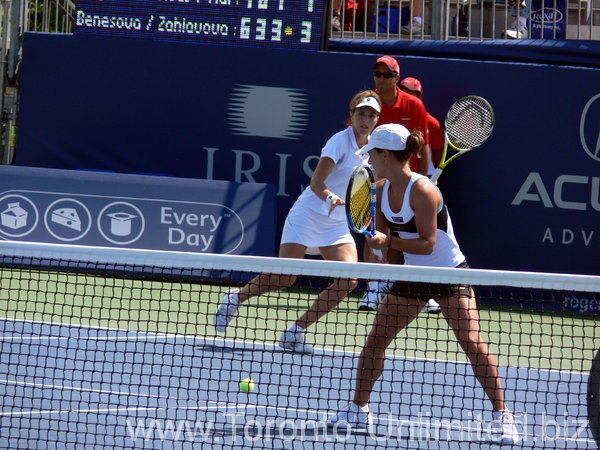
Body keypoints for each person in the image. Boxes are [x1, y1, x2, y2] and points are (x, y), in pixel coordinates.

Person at [327, 123, 520, 445]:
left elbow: (428, 244)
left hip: (450, 274)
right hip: (413, 276)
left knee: (472, 343)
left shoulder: (425, 191)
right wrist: (380, 251)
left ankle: (504, 417)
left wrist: (387, 241)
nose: (370, 159)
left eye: (373, 153)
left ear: (386, 154)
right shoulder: (382, 189)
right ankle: (358, 408)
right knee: (376, 340)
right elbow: (390, 247)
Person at [213, 90, 382, 354]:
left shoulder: (373, 149)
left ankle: (296, 331)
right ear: (351, 115)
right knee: (285, 276)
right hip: (309, 213)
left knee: (349, 281)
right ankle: (236, 297)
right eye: (361, 113)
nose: (366, 119)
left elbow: (374, 183)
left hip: (335, 225)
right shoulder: (339, 142)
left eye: (371, 115)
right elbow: (317, 181)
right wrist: (329, 198)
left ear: (377, 120)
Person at [359, 55, 431, 311]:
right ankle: (373, 288)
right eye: (377, 74)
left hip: (406, 182)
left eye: (387, 75)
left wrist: (424, 179)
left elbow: (422, 148)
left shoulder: (413, 105)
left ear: (396, 77)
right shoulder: (369, 104)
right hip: (376, 177)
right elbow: (359, 137)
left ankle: (425, 286)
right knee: (375, 233)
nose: (381, 79)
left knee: (411, 236)